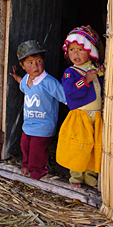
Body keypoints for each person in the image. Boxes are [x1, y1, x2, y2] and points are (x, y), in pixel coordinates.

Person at [10, 40, 66, 180]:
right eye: (30, 63)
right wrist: (16, 77)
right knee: (25, 145)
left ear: (44, 61)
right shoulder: (26, 80)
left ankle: (39, 169)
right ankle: (26, 164)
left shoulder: (49, 82)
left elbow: (65, 97)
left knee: (37, 149)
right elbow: (22, 84)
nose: (35, 66)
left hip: (44, 125)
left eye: (39, 61)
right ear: (22, 65)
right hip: (29, 124)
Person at [56, 25, 104, 188]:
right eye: (72, 50)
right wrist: (86, 80)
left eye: (80, 50)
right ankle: (76, 176)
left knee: (93, 147)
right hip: (80, 116)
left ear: (91, 51)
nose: (75, 54)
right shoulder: (71, 72)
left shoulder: (95, 68)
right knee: (79, 146)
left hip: (96, 116)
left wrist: (102, 73)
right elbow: (70, 91)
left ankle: (90, 176)